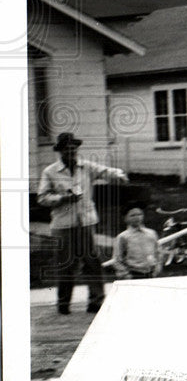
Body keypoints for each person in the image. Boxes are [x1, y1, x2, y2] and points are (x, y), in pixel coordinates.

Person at [37, 132, 128, 314]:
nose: (71, 151)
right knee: (66, 264)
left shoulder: (86, 167)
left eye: (74, 148)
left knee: (92, 262)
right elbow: (42, 198)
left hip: (86, 222)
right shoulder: (50, 171)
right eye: (67, 149)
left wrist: (118, 174)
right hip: (63, 225)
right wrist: (63, 198)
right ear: (60, 151)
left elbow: (105, 171)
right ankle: (63, 304)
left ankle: (96, 301)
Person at [110, 208, 162, 280]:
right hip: (134, 273)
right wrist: (126, 274)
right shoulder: (123, 237)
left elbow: (158, 252)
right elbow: (117, 259)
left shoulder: (152, 233)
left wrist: (158, 266)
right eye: (132, 215)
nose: (137, 217)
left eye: (139, 214)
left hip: (151, 272)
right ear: (125, 218)